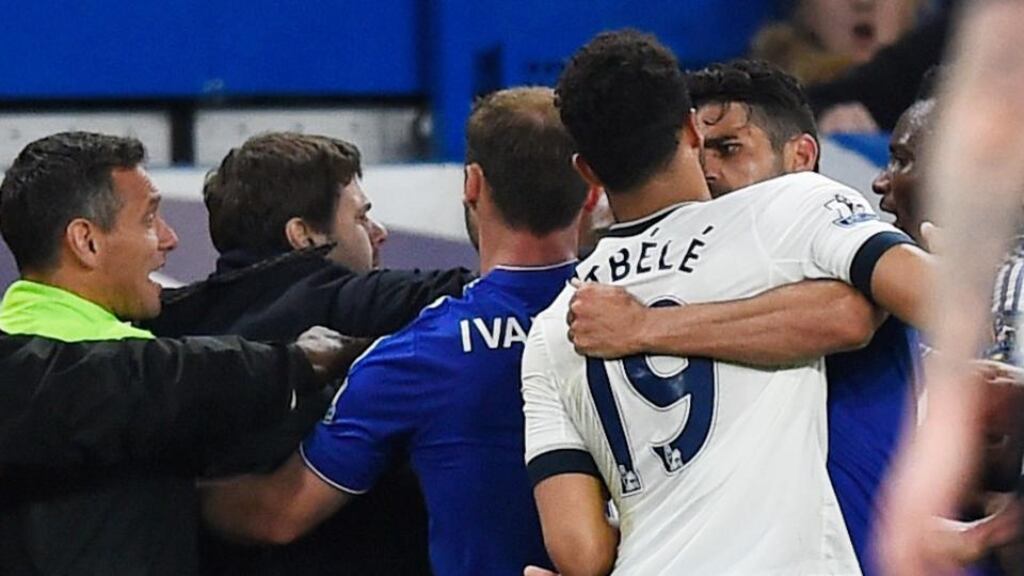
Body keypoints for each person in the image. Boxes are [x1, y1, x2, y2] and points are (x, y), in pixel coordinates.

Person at [523, 29, 932, 575]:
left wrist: (647, 328)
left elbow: (580, 552)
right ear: (692, 129)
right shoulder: (785, 209)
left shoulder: (557, 326)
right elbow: (917, 301)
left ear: (587, 173)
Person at [198, 87, 591, 576]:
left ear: (472, 185)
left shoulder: (415, 355)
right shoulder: (651, 319)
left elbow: (278, 513)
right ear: (591, 186)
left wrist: (162, 498)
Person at [0, 131, 353, 575]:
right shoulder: (103, 374)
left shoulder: (63, 354)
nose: (170, 239)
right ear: (86, 241)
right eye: (149, 220)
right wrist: (303, 364)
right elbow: (161, 378)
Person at [144, 132, 481, 576]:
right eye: (361, 218)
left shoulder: (164, 331)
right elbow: (502, 289)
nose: (378, 233)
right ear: (302, 235)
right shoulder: (353, 302)